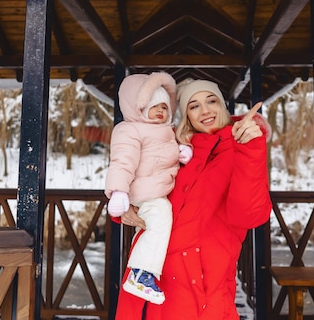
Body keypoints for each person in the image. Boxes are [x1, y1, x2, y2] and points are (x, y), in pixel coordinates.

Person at [113, 78, 272, 320]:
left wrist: (251, 148)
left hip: (201, 286)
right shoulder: (178, 149)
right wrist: (123, 207)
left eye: (211, 101)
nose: (205, 110)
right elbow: (140, 177)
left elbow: (249, 215)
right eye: (194, 105)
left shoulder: (242, 147)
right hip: (150, 278)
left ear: (223, 106)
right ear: (186, 115)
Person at [105, 71, 189, 305]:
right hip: (142, 192)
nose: (161, 111)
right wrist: (118, 192)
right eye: (154, 106)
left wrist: (182, 152)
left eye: (164, 106)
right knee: (160, 215)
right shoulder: (129, 130)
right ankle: (140, 273)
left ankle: (142, 272)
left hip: (157, 189)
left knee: (157, 223)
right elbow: (122, 162)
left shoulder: (166, 131)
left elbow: (165, 155)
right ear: (138, 107)